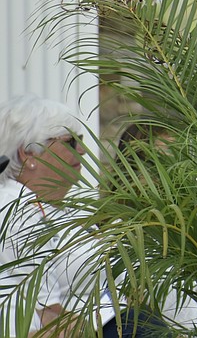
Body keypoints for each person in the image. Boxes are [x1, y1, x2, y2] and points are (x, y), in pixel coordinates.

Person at [0, 94, 169, 337]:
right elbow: (47, 315)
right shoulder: (14, 208)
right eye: (70, 142)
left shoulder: (60, 209)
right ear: (29, 153)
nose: (83, 151)